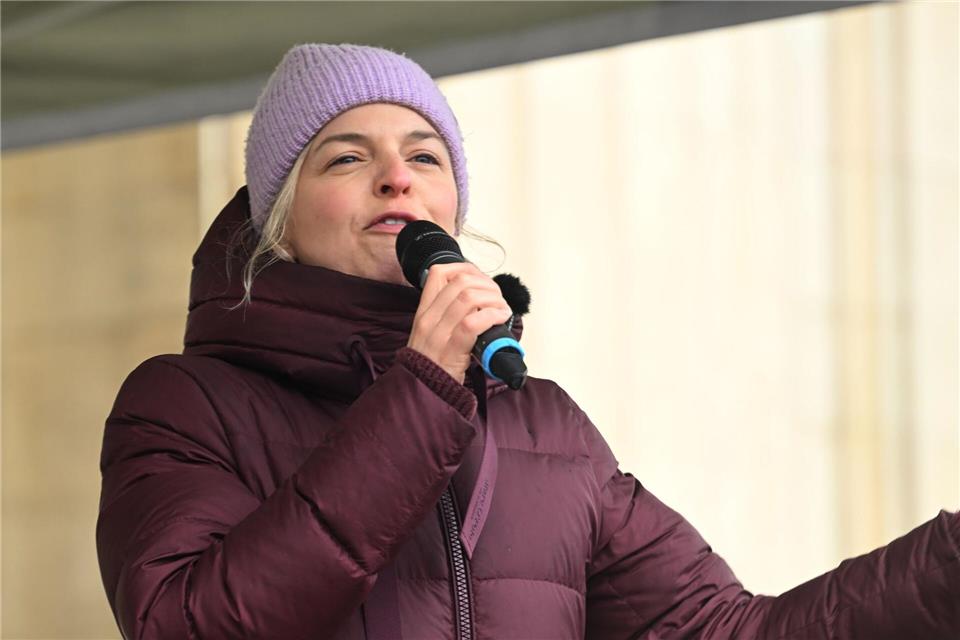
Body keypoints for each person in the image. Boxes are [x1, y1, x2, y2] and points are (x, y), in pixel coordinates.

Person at [96, 43, 959, 640]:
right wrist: (423, 386)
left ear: (452, 214)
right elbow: (188, 622)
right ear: (278, 220)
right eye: (346, 158)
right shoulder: (184, 404)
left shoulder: (543, 425)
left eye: (425, 156)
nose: (397, 174)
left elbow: (727, 628)